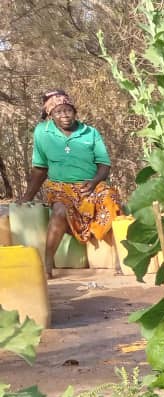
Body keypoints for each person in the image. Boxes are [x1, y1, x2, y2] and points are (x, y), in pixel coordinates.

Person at [16, 90, 121, 277]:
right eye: (58, 112)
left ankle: (120, 261)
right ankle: (48, 263)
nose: (64, 115)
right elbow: (40, 168)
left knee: (110, 199)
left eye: (68, 110)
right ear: (50, 115)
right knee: (59, 211)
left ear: (75, 112)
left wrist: (95, 181)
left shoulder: (90, 132)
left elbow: (104, 165)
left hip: (90, 184)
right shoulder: (42, 132)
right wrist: (27, 196)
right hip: (59, 186)